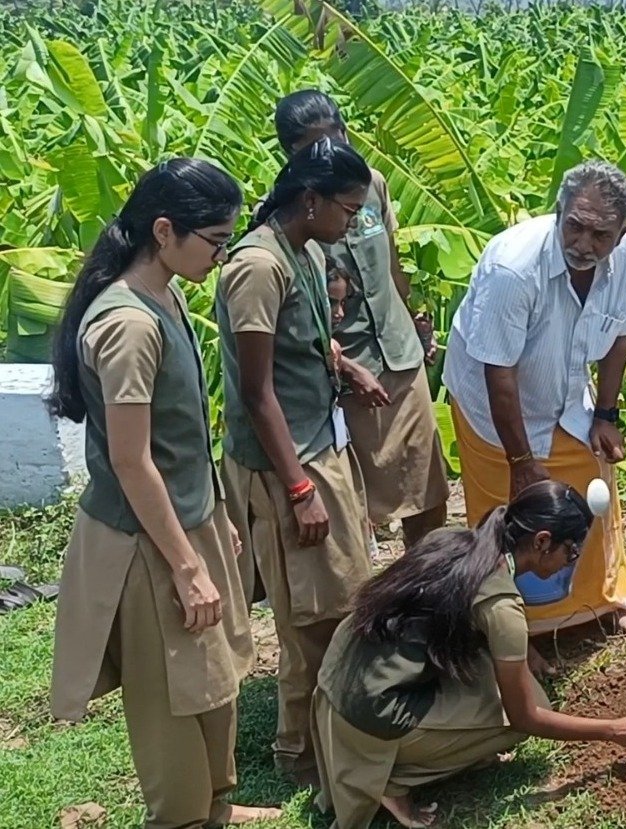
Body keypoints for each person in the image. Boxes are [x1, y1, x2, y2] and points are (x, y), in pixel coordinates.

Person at [46, 159, 279, 827]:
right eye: (215, 240)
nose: (222, 254)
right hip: (146, 543)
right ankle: (181, 813)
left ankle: (217, 804)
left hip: (185, 521)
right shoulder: (128, 325)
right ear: (164, 230)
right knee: (173, 692)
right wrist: (185, 564)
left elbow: (181, 437)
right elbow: (131, 459)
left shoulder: (168, 293)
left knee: (213, 675)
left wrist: (214, 520)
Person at [311, 481, 626, 828]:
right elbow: (526, 719)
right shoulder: (502, 608)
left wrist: (522, 648)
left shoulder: (454, 540)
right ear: (543, 541)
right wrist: (613, 730)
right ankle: (393, 779)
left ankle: (423, 749)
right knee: (532, 707)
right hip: (368, 712)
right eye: (572, 550)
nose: (571, 561)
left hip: (338, 676)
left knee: (502, 684)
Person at [442, 158, 626, 671]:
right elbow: (499, 372)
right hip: (495, 408)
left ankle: (603, 600)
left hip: (563, 396)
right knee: (505, 520)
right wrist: (521, 462)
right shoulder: (514, 268)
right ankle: (515, 630)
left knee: (592, 494)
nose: (584, 242)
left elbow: (620, 335)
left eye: (600, 233)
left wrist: (605, 414)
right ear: (558, 213)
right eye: (574, 225)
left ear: (620, 232)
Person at [217, 137, 375, 784]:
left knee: (344, 598)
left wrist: (345, 366)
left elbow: (298, 344)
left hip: (319, 443)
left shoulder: (303, 251)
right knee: (311, 615)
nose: (354, 223)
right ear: (310, 200)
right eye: (348, 209)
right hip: (291, 462)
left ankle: (335, 734)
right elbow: (257, 392)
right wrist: (300, 487)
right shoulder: (257, 267)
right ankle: (301, 756)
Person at [274, 90, 449, 550]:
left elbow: (391, 262)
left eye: (338, 138)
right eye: (316, 149)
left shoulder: (371, 184)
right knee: (355, 502)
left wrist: (415, 319)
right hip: (348, 369)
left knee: (427, 487)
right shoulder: (291, 213)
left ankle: (428, 586)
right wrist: (342, 366)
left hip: (399, 353)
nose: (333, 154)